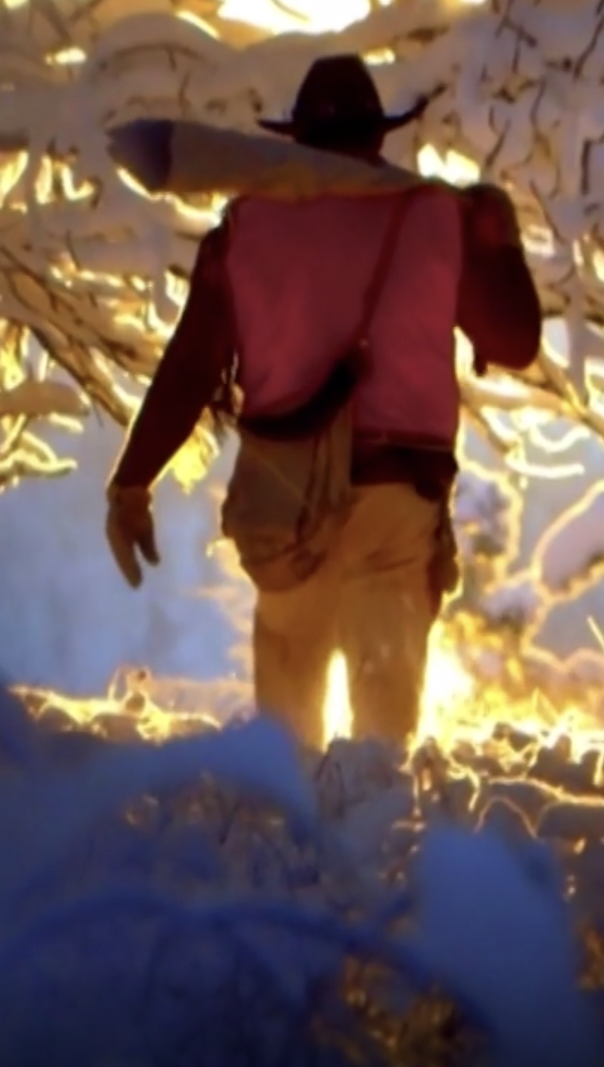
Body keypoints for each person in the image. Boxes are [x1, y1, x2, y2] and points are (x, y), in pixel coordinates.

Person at [101, 54, 543, 750]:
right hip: (398, 500)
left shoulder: (243, 231)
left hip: (285, 507)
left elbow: (191, 367)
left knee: (288, 749)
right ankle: (373, 833)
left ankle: (295, 832)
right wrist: (499, 234)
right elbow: (515, 341)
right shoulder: (435, 217)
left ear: (295, 141)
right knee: (381, 751)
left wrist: (132, 485)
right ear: (377, 140)